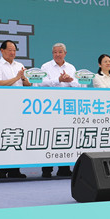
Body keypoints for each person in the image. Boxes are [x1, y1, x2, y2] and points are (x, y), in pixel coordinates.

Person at [39, 43, 81, 177]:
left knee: (64, 135)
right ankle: (47, 170)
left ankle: (64, 168)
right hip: (50, 106)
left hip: (66, 107)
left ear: (65, 53)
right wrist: (58, 79)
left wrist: (69, 80)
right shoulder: (45, 66)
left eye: (60, 52)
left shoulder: (71, 67)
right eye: (55, 52)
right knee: (48, 137)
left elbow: (78, 85)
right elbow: (41, 83)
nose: (57, 54)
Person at [0, 40, 31, 178]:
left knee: (17, 135)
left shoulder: (19, 65)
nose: (12, 53)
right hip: (3, 106)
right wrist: (16, 77)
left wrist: (23, 78)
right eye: (10, 50)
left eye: (14, 50)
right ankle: (1, 169)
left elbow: (28, 85)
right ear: (2, 51)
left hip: (19, 106)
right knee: (4, 136)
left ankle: (15, 169)